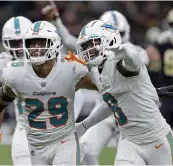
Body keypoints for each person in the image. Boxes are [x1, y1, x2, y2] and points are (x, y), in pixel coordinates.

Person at [0, 20, 98, 165]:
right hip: (36, 145)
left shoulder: (72, 68)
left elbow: (105, 89)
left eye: (41, 42)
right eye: (32, 43)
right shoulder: (16, 73)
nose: (36, 48)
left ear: (54, 44)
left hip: (64, 141)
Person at [42, 5, 149, 165]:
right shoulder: (94, 59)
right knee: (86, 148)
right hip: (107, 112)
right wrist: (56, 19)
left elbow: (137, 69)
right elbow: (70, 40)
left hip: (134, 113)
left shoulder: (135, 53)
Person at [74, 20, 173, 165]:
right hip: (129, 141)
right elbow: (112, 103)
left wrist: (127, 52)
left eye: (93, 43)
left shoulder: (122, 61)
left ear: (109, 40)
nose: (89, 50)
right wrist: (84, 125)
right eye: (86, 46)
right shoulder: (96, 71)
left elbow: (134, 63)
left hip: (156, 138)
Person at [0, 16, 33, 164]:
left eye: (24, 41)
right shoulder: (1, 64)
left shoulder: (50, 61)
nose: (20, 48)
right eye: (15, 42)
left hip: (57, 127)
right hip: (24, 127)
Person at [147, 6, 173, 165]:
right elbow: (149, 60)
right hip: (167, 97)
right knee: (160, 138)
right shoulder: (162, 40)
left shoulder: (162, 39)